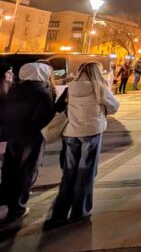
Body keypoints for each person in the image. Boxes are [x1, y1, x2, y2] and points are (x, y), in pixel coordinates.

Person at [43, 62, 119, 229]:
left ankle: (59, 213)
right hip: (91, 132)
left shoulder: (72, 87)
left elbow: (59, 106)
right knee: (86, 172)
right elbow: (114, 107)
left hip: (71, 132)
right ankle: (80, 210)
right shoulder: (98, 87)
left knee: (69, 174)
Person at [0, 63, 55, 224]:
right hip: (31, 137)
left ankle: (7, 199)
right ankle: (18, 207)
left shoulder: (14, 89)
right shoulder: (41, 92)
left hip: (13, 135)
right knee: (27, 170)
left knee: (10, 168)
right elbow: (44, 118)